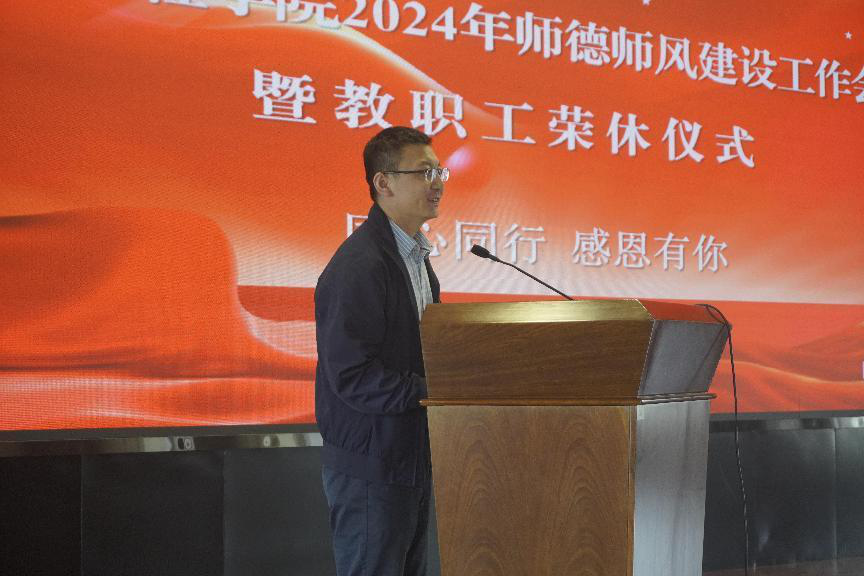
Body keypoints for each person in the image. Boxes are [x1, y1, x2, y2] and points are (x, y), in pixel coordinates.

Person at [315, 126, 448, 576]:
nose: (437, 182)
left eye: (440, 171)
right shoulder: (361, 264)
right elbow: (352, 376)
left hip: (410, 457)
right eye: (424, 172)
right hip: (372, 466)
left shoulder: (415, 258)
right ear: (383, 182)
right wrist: (435, 390)